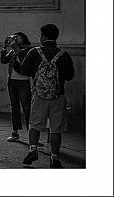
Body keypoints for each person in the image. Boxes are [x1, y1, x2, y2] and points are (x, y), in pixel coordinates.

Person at [20, 24, 75, 168]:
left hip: (39, 96)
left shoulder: (34, 52)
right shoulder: (64, 55)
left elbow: (24, 71)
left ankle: (33, 150)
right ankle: (54, 158)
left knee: (35, 125)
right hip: (58, 97)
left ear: (44, 36)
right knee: (56, 129)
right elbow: (70, 76)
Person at [0, 31, 33, 142]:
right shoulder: (14, 50)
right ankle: (15, 132)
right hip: (12, 81)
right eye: (14, 37)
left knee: (27, 107)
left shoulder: (29, 49)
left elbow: (22, 55)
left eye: (17, 37)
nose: (15, 39)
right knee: (14, 107)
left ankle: (31, 135)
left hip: (23, 81)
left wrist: (13, 45)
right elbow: (3, 60)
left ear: (23, 38)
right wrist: (4, 47)